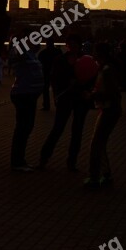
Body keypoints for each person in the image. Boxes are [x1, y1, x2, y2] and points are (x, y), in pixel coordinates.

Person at [37, 33, 91, 171]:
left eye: (75, 44)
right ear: (67, 45)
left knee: (77, 131)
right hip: (65, 97)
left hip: (80, 99)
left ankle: (72, 162)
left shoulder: (85, 60)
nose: (72, 47)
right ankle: (44, 158)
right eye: (70, 44)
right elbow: (54, 79)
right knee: (58, 128)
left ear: (79, 45)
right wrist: (57, 94)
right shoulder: (60, 59)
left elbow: (91, 77)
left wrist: (87, 91)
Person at [84, 42, 123, 189]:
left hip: (109, 109)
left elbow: (111, 92)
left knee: (96, 144)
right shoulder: (106, 69)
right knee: (100, 143)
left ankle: (94, 177)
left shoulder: (107, 70)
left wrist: (93, 96)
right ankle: (105, 174)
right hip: (108, 109)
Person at [9, 29, 45, 172]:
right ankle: (17, 162)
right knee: (22, 128)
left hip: (30, 95)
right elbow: (18, 52)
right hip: (23, 94)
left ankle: (20, 159)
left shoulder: (30, 53)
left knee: (26, 127)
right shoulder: (17, 51)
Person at [37, 38, 62, 111]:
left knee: (45, 90)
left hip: (46, 73)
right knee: (56, 89)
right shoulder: (58, 52)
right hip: (56, 73)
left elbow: (39, 64)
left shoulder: (43, 53)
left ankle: (46, 105)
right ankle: (58, 104)